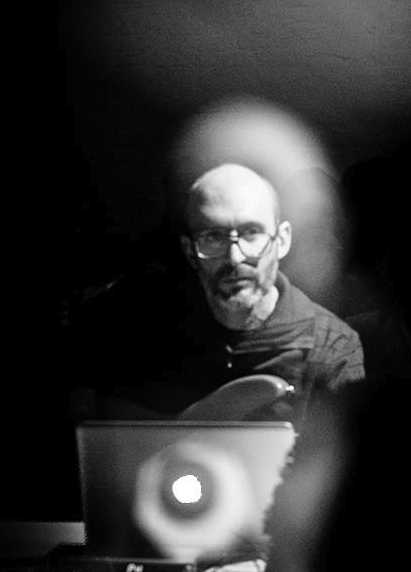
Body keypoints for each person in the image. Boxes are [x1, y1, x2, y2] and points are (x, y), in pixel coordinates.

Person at [66, 162, 366, 438]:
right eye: (213, 237)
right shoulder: (139, 325)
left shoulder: (332, 346)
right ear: (189, 251)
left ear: (282, 240)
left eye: (251, 233)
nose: (234, 258)